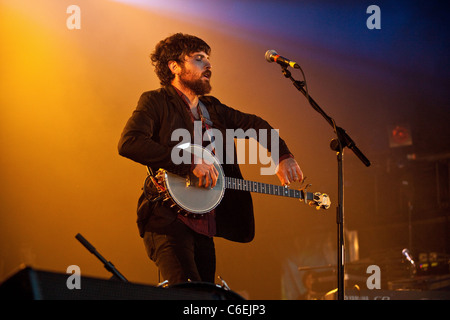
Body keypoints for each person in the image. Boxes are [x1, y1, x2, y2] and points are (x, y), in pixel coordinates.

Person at [118, 33, 303, 286]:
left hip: (205, 223)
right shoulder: (155, 101)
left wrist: (283, 156)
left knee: (206, 298)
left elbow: (256, 125)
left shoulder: (213, 108)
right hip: (167, 219)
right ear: (174, 66)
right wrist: (189, 164)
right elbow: (130, 142)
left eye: (208, 58)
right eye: (198, 58)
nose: (208, 65)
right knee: (187, 292)